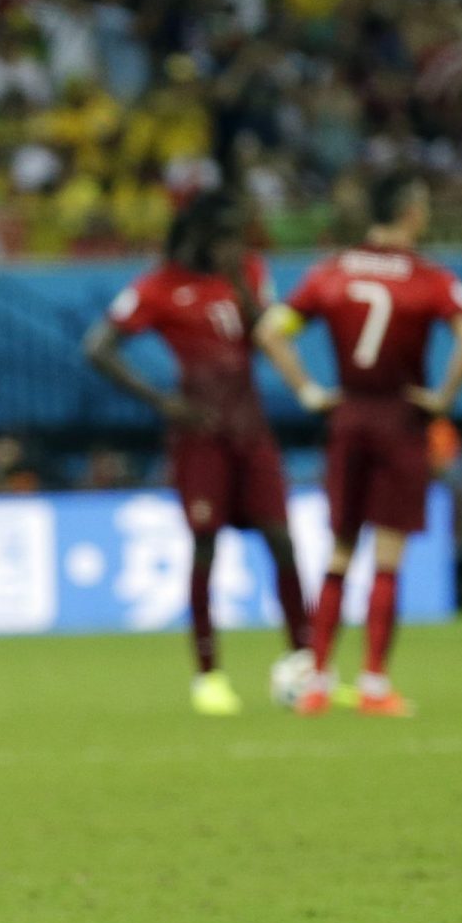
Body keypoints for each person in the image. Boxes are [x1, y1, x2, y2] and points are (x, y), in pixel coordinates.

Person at [255, 171, 462, 717]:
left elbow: (271, 330)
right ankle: (374, 685)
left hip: (349, 417)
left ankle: (315, 680)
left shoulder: (330, 273)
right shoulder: (429, 279)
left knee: (339, 553)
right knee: (387, 557)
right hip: (399, 417)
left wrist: (308, 390)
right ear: (411, 211)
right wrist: (444, 397)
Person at [82, 191, 312, 716]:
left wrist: (240, 285)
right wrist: (166, 403)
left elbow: (268, 336)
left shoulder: (248, 272)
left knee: (282, 539)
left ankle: (306, 661)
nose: (236, 244)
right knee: (205, 543)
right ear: (201, 236)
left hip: (251, 430)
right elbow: (98, 347)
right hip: (200, 435)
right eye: (226, 235)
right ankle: (209, 675)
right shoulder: (157, 287)